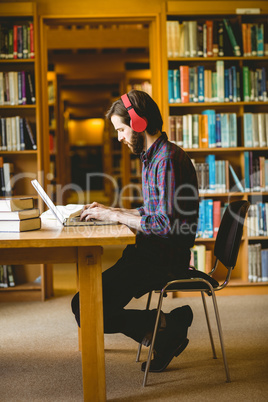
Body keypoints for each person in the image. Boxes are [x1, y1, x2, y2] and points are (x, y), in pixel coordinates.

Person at [71, 89, 200, 373]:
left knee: (85, 307)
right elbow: (153, 210)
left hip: (162, 259)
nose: (119, 137)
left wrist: (111, 214)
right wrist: (113, 211)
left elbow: (164, 225)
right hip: (149, 253)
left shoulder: (165, 160)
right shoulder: (153, 156)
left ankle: (167, 327)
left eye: (121, 129)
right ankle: (167, 327)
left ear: (139, 123)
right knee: (85, 303)